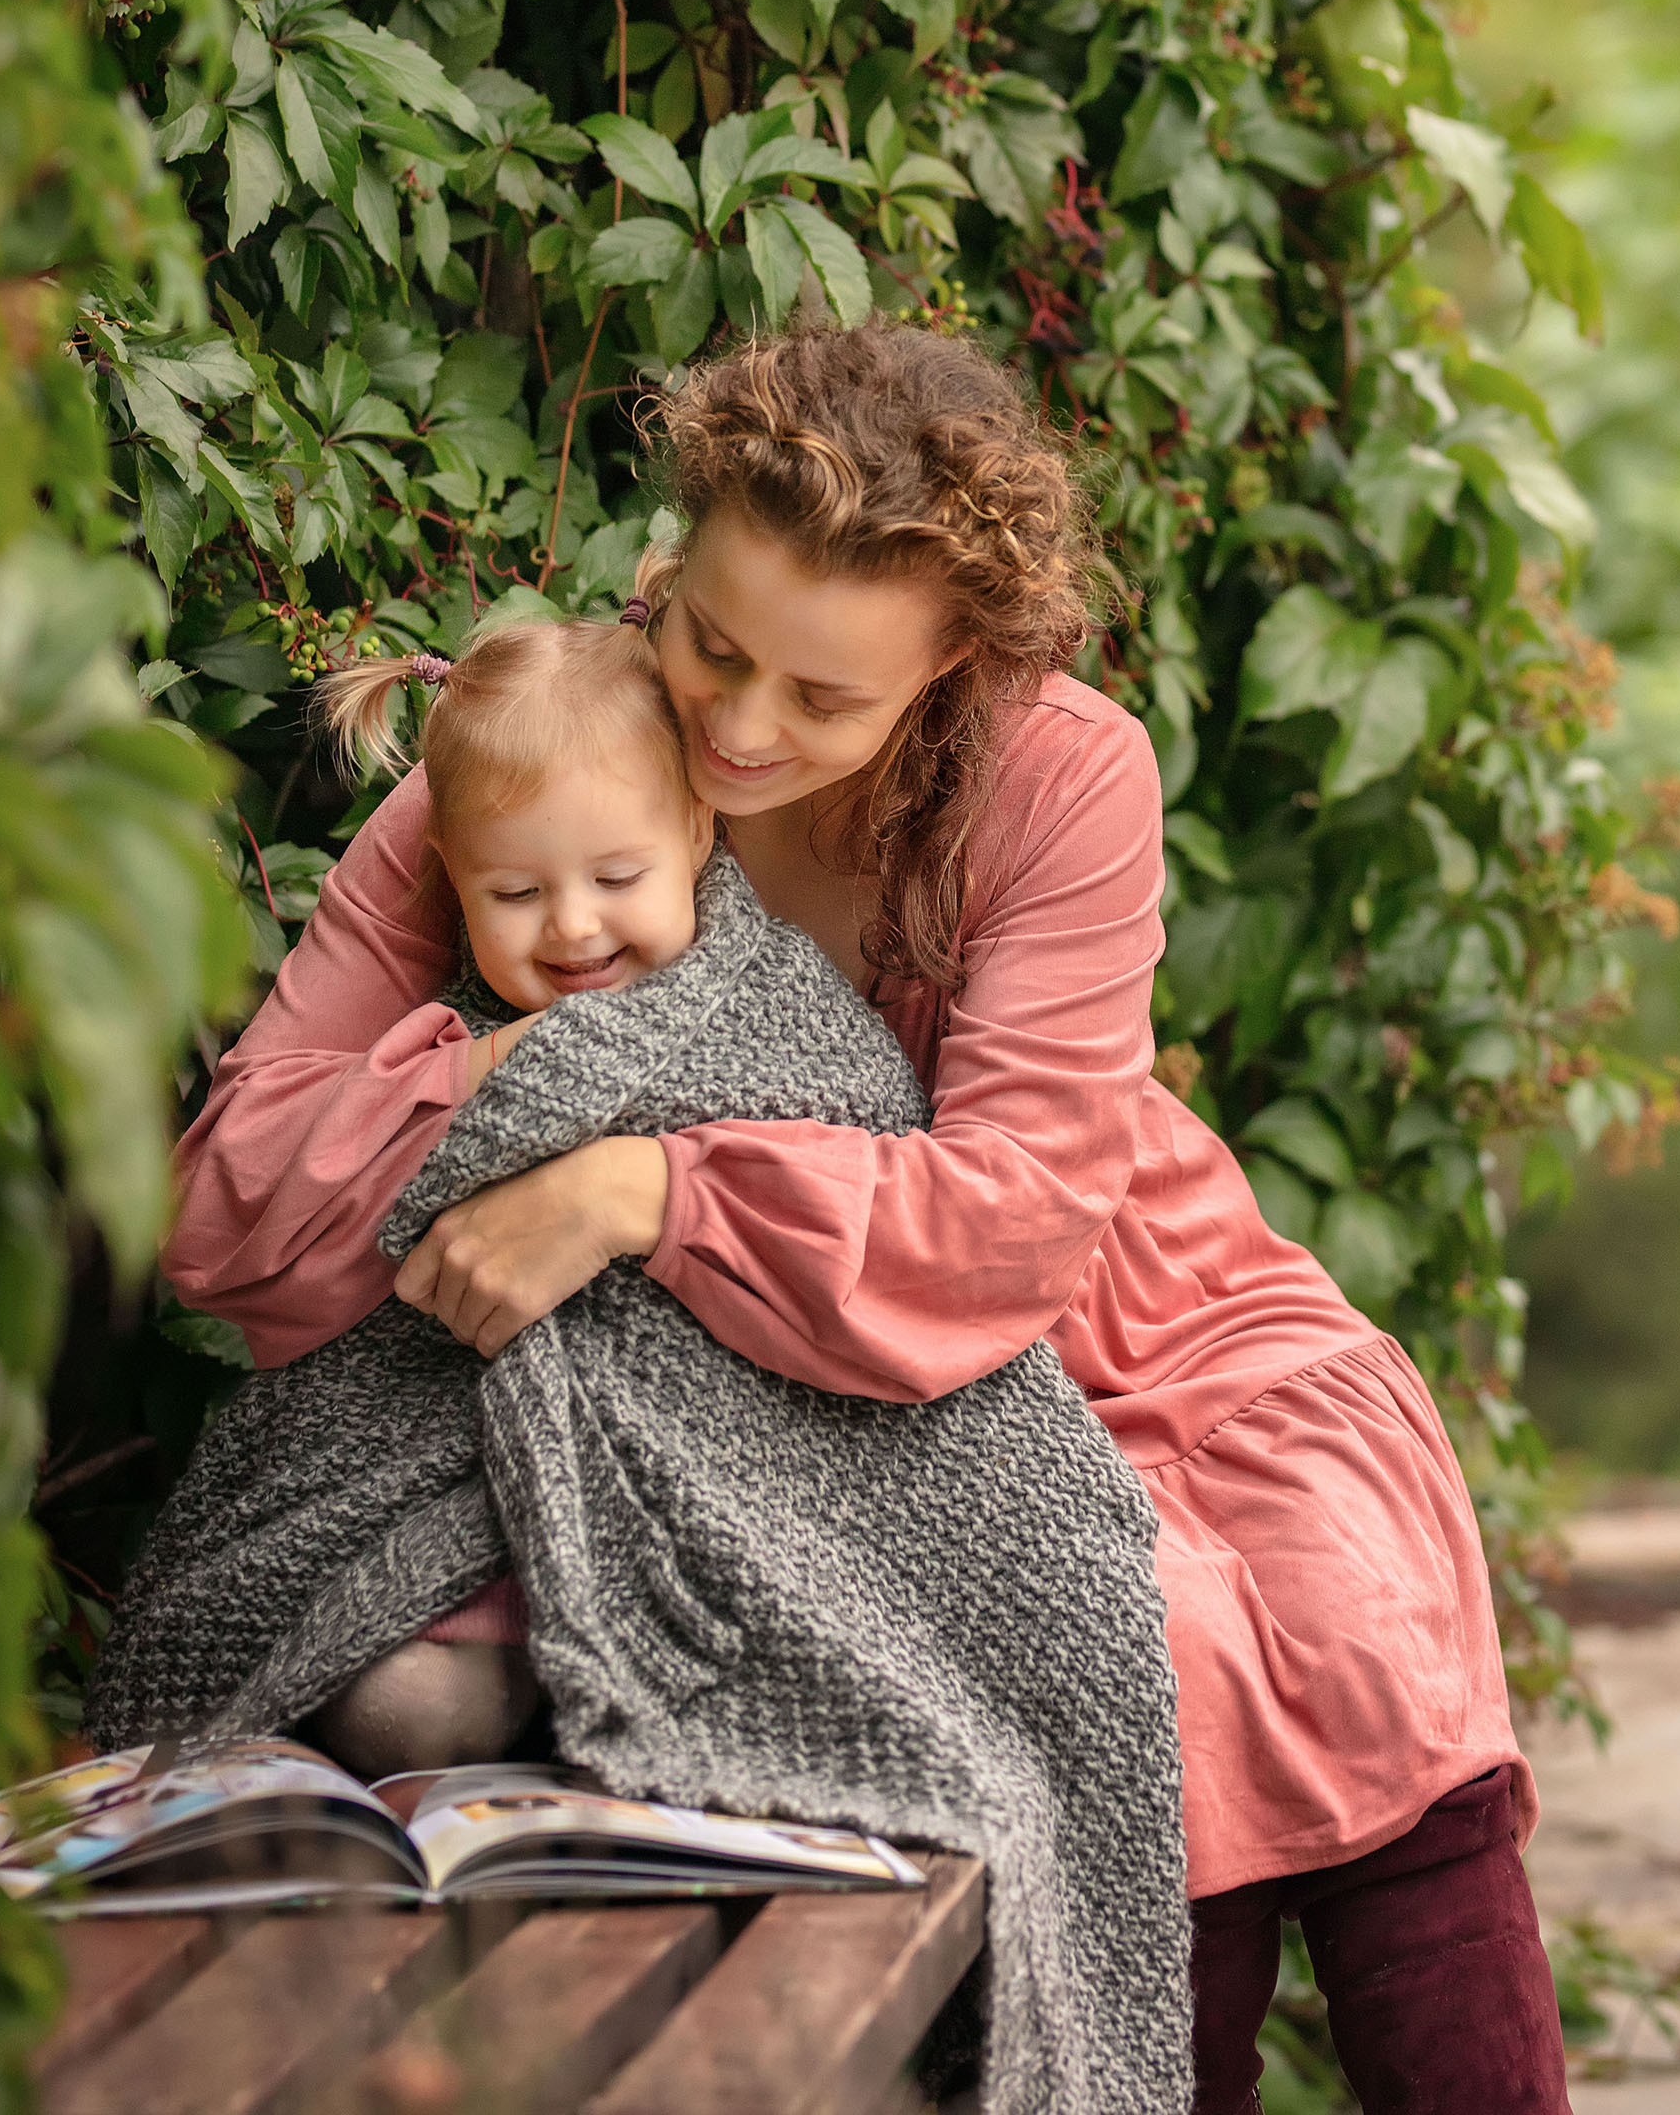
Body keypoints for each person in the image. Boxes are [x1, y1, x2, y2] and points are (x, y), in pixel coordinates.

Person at [165, 319, 1570, 2115]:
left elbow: (1011, 1220)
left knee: (1341, 1626)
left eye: (824, 700)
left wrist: (645, 1180)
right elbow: (228, 1197)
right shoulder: (551, 751)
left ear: (954, 666)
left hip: (1118, 1307)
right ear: (671, 566)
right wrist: (527, 1064)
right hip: (773, 1408)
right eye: (712, 647)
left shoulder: (1061, 774)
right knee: (1145, 1667)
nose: (742, 730)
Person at [300, 611, 714, 1775]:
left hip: (702, 1481)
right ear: (453, 884)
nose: (574, 927)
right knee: (395, 1712)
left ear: (696, 830)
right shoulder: (446, 1039)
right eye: (516, 893)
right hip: (477, 1491)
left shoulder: (764, 1003)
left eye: (617, 876)